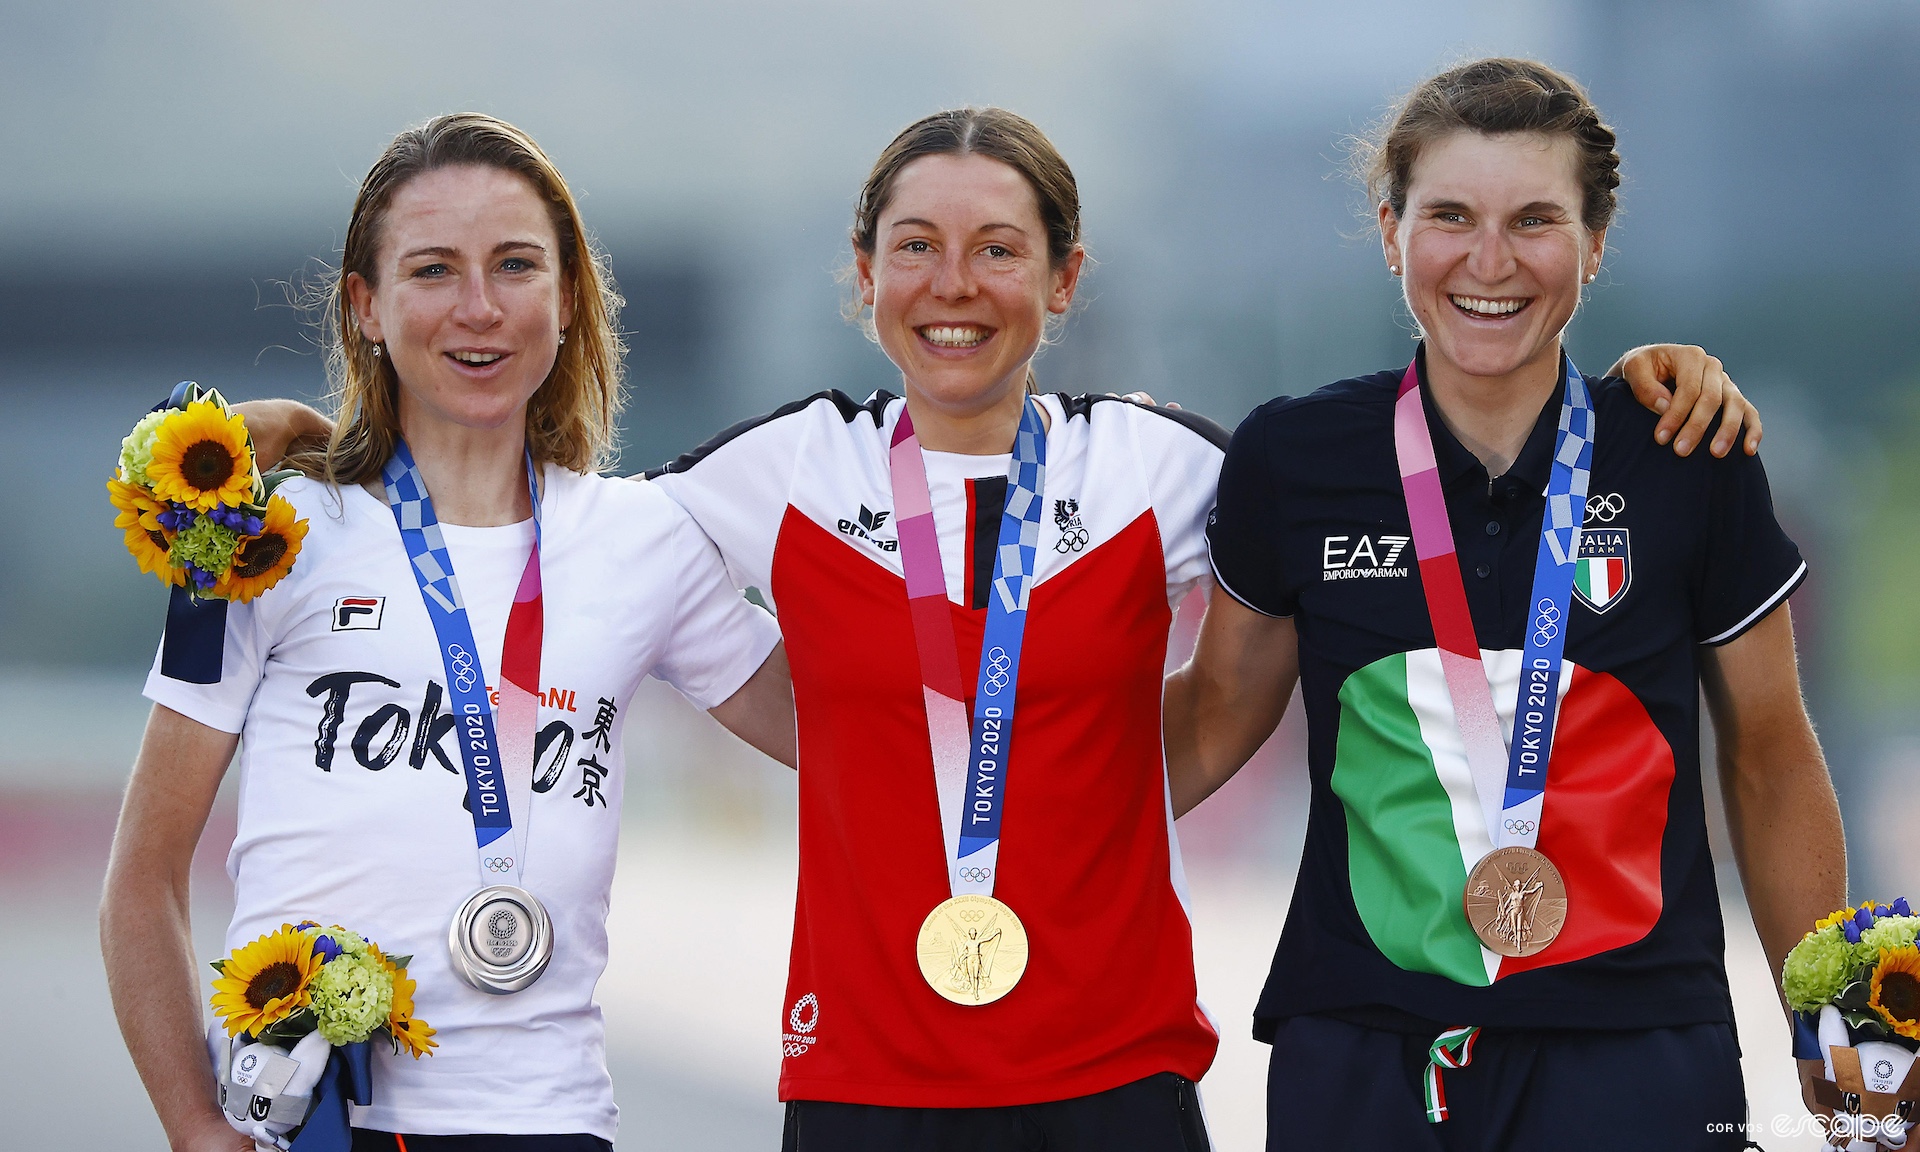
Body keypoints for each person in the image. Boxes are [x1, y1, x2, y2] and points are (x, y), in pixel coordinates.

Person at [239, 107, 1761, 1150]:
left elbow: (1437, 462)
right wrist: (305, 442)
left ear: (1063, 279)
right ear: (864, 277)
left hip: (1118, 1076)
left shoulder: (1178, 467)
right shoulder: (767, 476)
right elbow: (516, 513)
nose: (954, 286)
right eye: (914, 246)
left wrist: (1642, 393)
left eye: (998, 248)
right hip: (862, 1085)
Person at [1165, 59, 1845, 1150]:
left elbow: (1768, 753)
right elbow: (1208, 720)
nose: (1489, 262)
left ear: (1596, 243)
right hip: (1360, 1038)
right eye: (1449, 217)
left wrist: (1823, 1017)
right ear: (1391, 232)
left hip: (1637, 1041)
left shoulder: (1686, 448)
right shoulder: (1293, 456)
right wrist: (975, 797)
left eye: (1535, 220)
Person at [100, 113, 795, 1152]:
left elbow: (858, 737)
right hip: (310, 1123)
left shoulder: (645, 540)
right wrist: (194, 1128)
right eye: (433, 270)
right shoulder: (264, 538)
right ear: (366, 306)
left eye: (516, 265)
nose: (479, 308)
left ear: (567, 301)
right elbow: (142, 879)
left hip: (548, 1123)